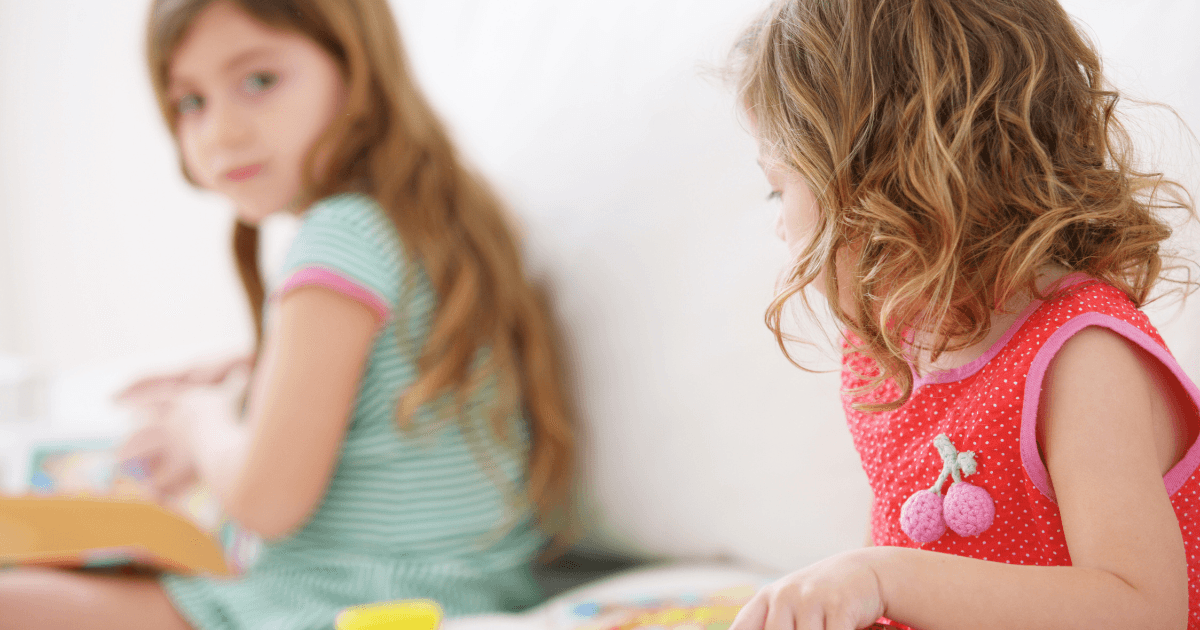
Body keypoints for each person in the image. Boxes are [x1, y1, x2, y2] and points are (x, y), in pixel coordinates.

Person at [0, 0, 575, 628]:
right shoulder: (429, 221)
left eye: (259, 81)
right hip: (470, 588)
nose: (221, 133)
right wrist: (257, 371)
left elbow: (264, 502)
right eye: (191, 102)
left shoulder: (340, 236)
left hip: (343, 603)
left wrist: (201, 421)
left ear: (357, 70)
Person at [728, 0, 1200, 629]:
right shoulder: (885, 351)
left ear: (885, 182)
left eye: (778, 187)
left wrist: (880, 576)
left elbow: (1144, 612)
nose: (778, 225)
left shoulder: (1081, 357)